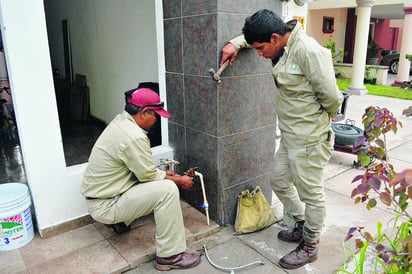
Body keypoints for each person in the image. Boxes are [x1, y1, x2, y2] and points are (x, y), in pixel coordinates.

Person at [220, 9, 344, 269]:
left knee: (312, 195)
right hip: (290, 136)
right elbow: (257, 37)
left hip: (309, 139)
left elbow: (332, 98)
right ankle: (301, 224)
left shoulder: (308, 52)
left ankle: (311, 245)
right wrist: (236, 43)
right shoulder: (279, 39)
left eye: (260, 48)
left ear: (275, 38)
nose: (259, 54)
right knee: (278, 180)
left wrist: (323, 121)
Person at [80, 87, 200, 271]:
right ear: (144, 113)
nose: (157, 120)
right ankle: (170, 256)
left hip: (102, 196)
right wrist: (179, 181)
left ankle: (119, 222)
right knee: (167, 191)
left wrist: (163, 175)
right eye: (156, 116)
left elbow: (142, 170)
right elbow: (147, 175)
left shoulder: (122, 121)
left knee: (161, 181)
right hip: (106, 205)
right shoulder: (134, 136)